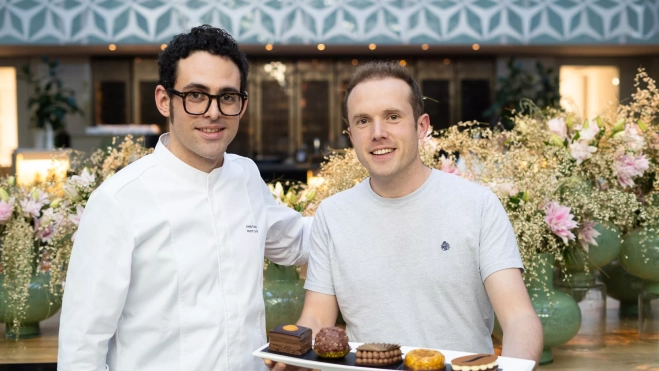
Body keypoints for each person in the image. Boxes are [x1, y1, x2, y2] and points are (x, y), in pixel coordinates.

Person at [58, 25, 311, 371]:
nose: (213, 112)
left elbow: (301, 241)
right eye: (195, 95)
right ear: (164, 100)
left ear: (242, 104)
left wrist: (381, 201)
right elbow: (82, 347)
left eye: (227, 96)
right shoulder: (118, 201)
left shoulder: (245, 177)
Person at [266, 61, 543, 370]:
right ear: (351, 134)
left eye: (393, 117)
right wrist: (290, 356)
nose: (377, 133)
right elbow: (317, 317)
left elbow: (519, 318)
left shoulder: (478, 206)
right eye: (363, 121)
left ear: (421, 126)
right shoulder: (333, 215)